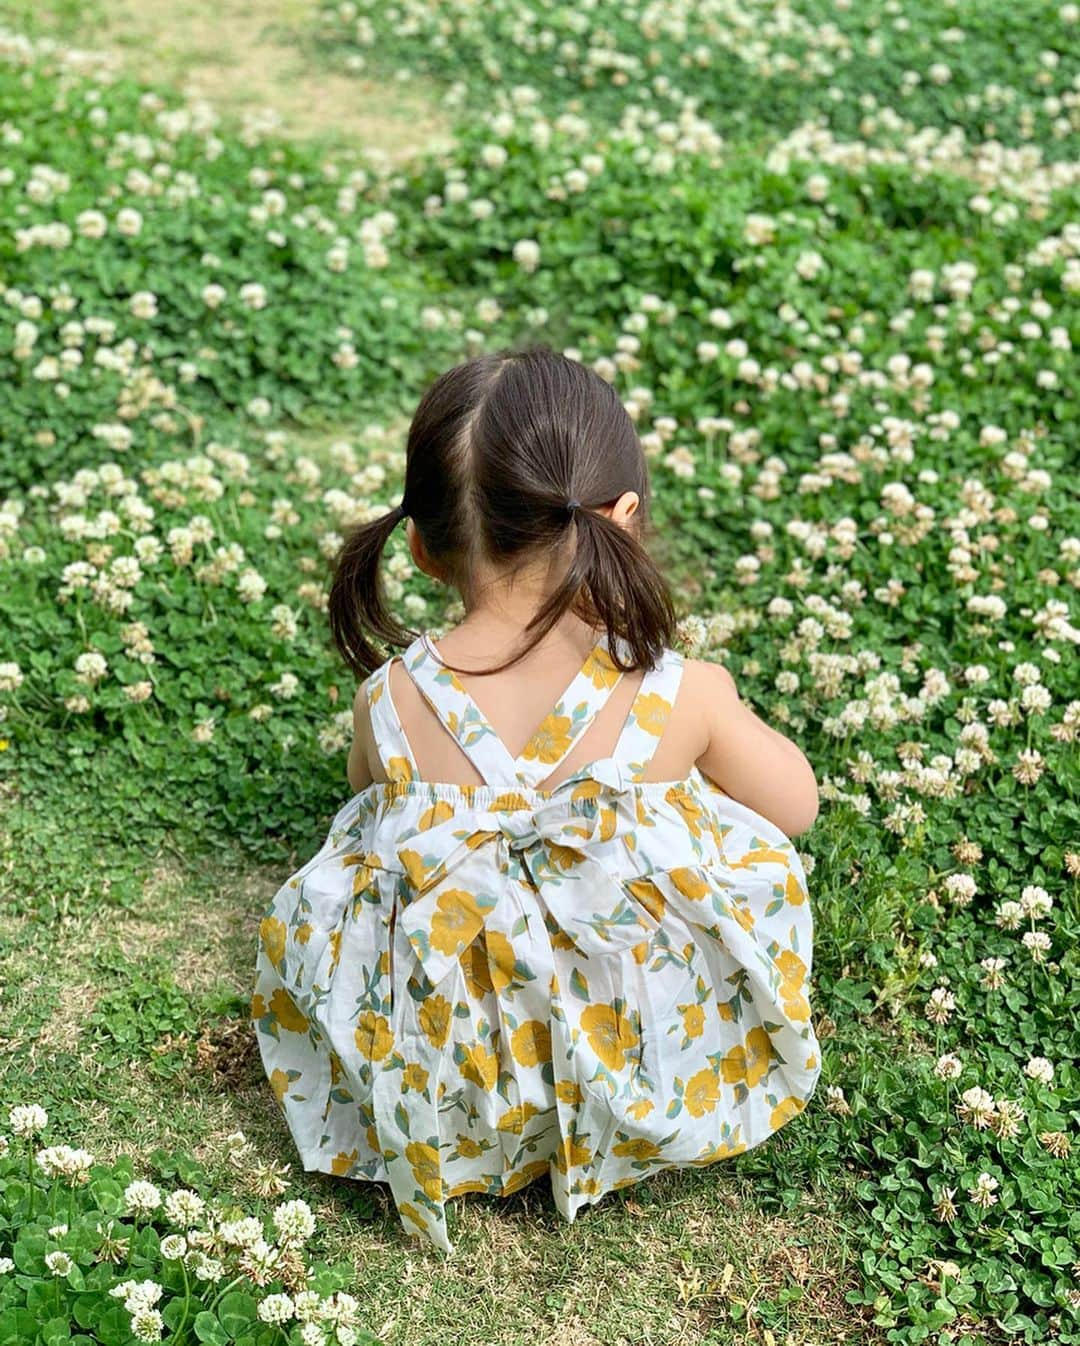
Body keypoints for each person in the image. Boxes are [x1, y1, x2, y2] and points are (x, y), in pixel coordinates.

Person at [252, 344, 821, 1253]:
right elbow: (795, 808)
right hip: (648, 1063)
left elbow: (366, 800)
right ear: (622, 519)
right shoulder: (683, 691)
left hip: (455, 1086)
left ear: (422, 549)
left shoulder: (392, 700)